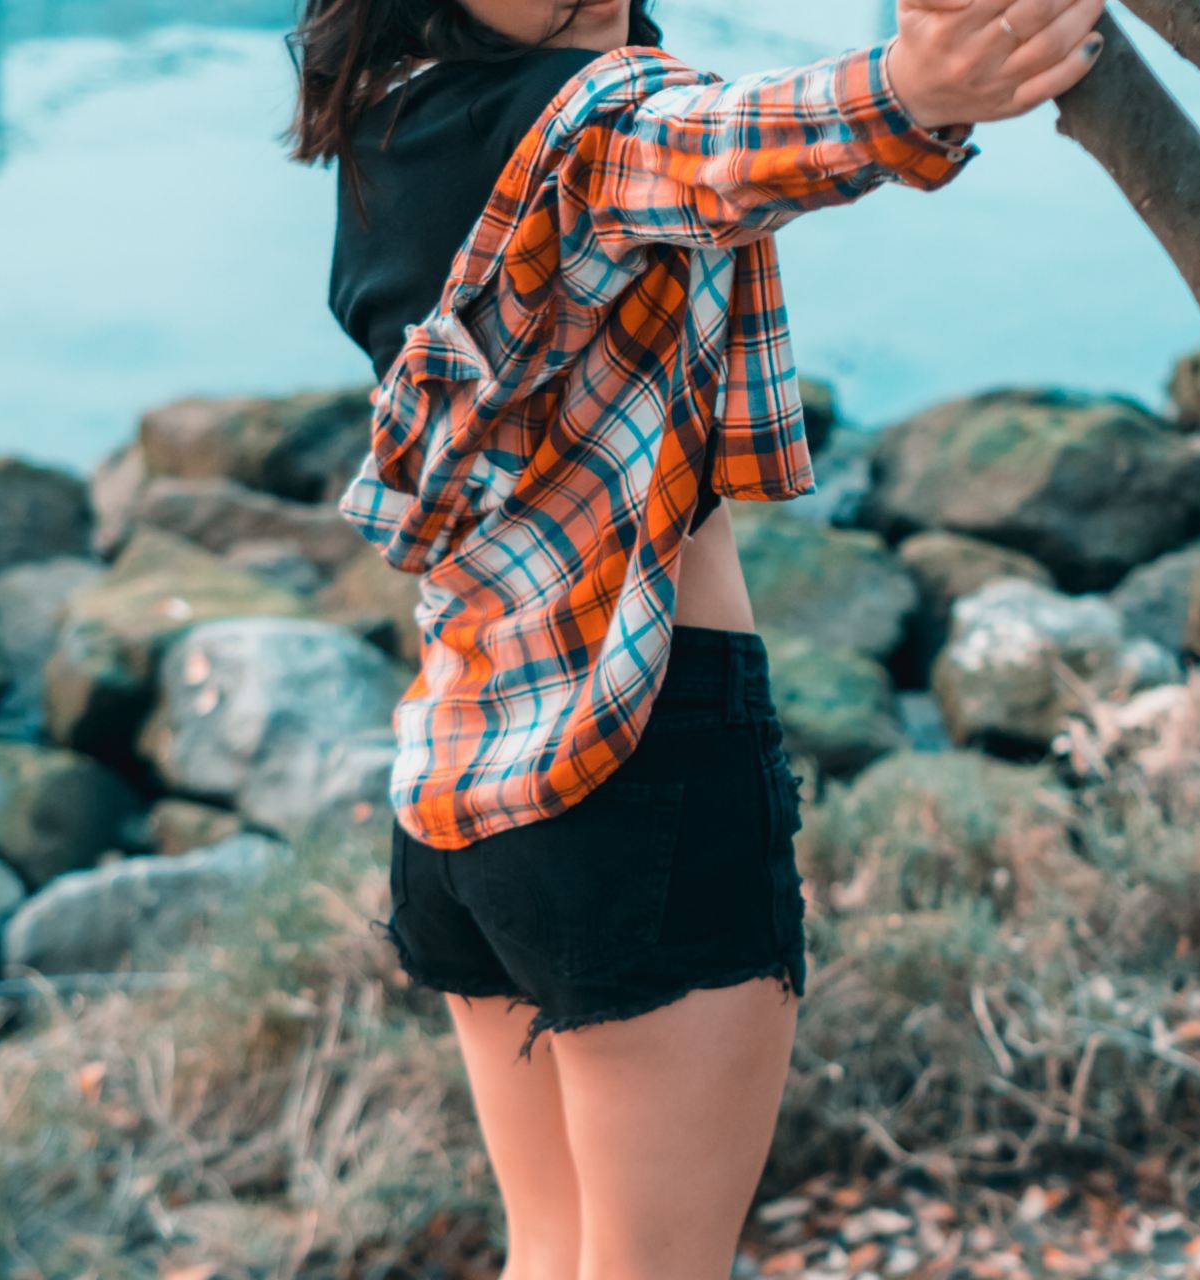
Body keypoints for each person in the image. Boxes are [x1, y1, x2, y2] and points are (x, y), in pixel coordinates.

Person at [287, 1, 1106, 1274]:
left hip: (467, 773)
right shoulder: (584, 123)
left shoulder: (394, 128)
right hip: (638, 764)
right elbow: (718, 144)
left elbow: (695, 146)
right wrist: (910, 85)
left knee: (551, 1254)